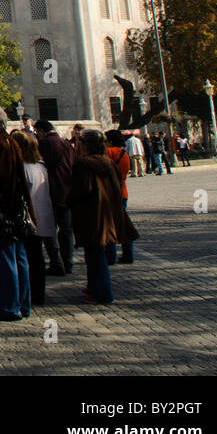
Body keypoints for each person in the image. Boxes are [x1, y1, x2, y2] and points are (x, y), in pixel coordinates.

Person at [69, 129, 137, 304]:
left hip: (90, 214)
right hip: (107, 210)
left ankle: (103, 293)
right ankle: (95, 287)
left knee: (95, 255)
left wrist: (68, 200)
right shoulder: (108, 162)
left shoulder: (84, 165)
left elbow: (81, 190)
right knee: (96, 254)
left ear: (85, 145)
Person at [0, 105, 32, 322]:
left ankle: (10, 306)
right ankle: (22, 302)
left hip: (4, 212)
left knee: (6, 260)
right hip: (13, 210)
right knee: (18, 259)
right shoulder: (8, 142)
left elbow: (0, 182)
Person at [16, 131, 54, 307]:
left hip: (26, 220)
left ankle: (25, 295)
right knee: (37, 258)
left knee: (24, 259)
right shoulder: (40, 166)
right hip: (41, 218)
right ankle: (38, 294)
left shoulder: (22, 168)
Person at [34, 119, 73, 275]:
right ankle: (68, 263)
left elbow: (42, 166)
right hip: (68, 191)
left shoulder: (46, 144)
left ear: (41, 131)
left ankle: (56, 263)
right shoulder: (66, 143)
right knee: (67, 230)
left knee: (49, 229)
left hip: (52, 191)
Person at [103, 131, 134, 264]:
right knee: (123, 225)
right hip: (122, 192)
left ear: (109, 141)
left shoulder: (108, 153)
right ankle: (128, 254)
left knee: (109, 226)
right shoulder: (125, 155)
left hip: (109, 193)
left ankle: (110, 257)